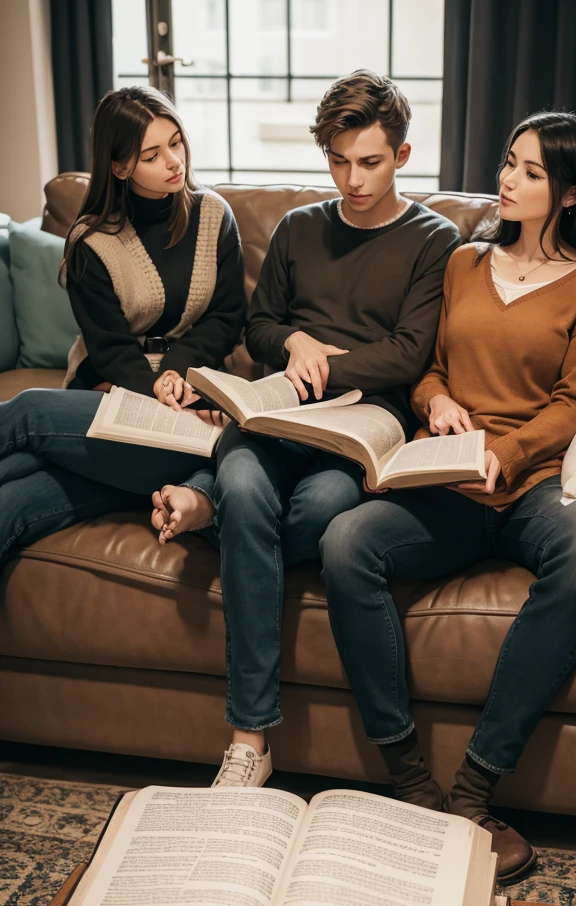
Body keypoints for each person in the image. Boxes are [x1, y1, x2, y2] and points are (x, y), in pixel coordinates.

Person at [318, 111, 576, 884]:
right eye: (509, 163)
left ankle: (474, 789)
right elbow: (428, 369)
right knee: (345, 545)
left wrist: (504, 453)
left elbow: (574, 401)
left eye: (530, 172)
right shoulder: (464, 261)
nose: (507, 179)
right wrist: (436, 407)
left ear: (568, 194)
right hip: (446, 480)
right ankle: (408, 777)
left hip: (535, 482)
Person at [150, 70, 461, 788]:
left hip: (363, 416)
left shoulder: (433, 239)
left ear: (403, 156)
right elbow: (259, 326)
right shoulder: (297, 228)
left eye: (371, 162)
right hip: (279, 405)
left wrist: (326, 357)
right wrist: (291, 346)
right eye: (338, 161)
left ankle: (207, 514)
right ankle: (250, 737)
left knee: (320, 510)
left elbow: (408, 352)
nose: (353, 179)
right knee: (243, 477)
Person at [0, 85, 245, 562]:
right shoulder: (91, 240)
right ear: (119, 166)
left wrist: (178, 374)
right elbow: (109, 347)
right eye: (152, 154)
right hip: (111, 388)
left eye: (176, 142)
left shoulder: (214, 216)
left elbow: (226, 317)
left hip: (193, 395)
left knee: (28, 417)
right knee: (10, 506)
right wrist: (154, 386)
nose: (174, 161)